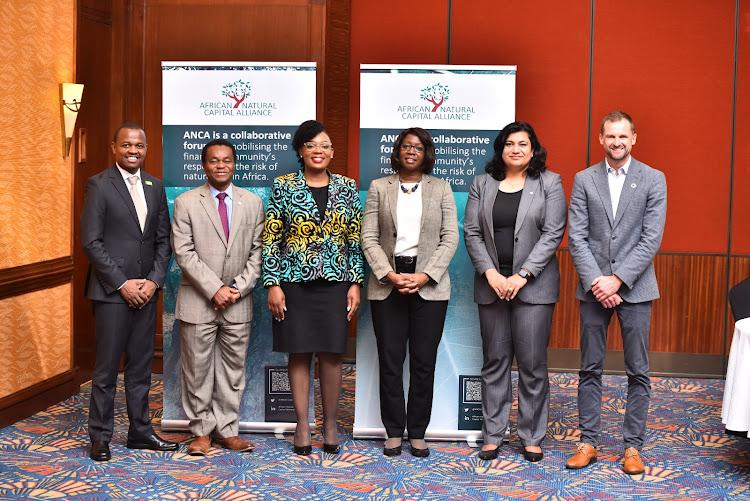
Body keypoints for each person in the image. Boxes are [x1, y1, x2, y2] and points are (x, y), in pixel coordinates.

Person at [566, 111, 667, 474]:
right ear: (601, 139)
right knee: (589, 367)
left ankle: (632, 447)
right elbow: (576, 236)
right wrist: (599, 281)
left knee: (637, 370)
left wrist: (618, 279)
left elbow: (650, 238)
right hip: (593, 289)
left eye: (623, 136)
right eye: (610, 136)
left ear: (634, 138)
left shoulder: (654, 179)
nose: (617, 142)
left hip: (636, 289)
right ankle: (588, 442)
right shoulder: (583, 179)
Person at [464, 121, 567, 462]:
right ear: (501, 149)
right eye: (510, 143)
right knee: (494, 362)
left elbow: (554, 232)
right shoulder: (482, 183)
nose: (516, 149)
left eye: (523, 144)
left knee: (533, 364)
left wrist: (522, 274)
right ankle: (493, 434)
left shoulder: (549, 183)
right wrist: (491, 273)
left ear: (533, 149)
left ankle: (532, 435)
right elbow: (472, 233)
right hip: (492, 285)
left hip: (533, 288)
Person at [262, 120, 364, 455]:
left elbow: (354, 240)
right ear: (300, 151)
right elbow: (272, 237)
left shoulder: (348, 188)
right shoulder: (283, 186)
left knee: (332, 354)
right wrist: (273, 283)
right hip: (294, 284)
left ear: (332, 152)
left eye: (324, 145)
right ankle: (303, 425)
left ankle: (330, 424)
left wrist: (355, 282)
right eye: (311, 145)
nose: (318, 151)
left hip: (336, 284)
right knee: (300, 353)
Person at [81, 123, 178, 461]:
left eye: (138, 145)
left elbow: (163, 240)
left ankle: (140, 432)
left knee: (140, 368)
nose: (133, 150)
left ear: (146, 148)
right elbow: (91, 242)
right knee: (107, 369)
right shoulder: (98, 184)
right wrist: (123, 283)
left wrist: (153, 281)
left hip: (147, 292)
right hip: (111, 293)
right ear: (114, 147)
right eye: (126, 145)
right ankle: (100, 436)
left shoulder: (155, 186)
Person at [361, 127, 459, 458]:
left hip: (428, 286)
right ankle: (392, 431)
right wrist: (388, 273)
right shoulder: (379, 187)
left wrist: (425, 275)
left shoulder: (441, 188)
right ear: (398, 151)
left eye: (418, 147)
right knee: (390, 360)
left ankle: (417, 431)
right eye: (406, 146)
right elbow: (368, 237)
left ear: (426, 152)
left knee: (423, 362)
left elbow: (450, 237)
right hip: (387, 283)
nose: (411, 151)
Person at [171, 139, 265, 456]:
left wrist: (236, 288)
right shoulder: (185, 202)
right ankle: (201, 432)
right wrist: (215, 289)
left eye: (226, 160)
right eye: (214, 160)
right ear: (204, 165)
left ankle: (227, 430)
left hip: (239, 302)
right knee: (196, 370)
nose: (220, 165)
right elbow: (184, 253)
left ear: (234, 163)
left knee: (232, 371)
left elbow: (258, 254)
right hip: (198, 301)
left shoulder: (252, 203)